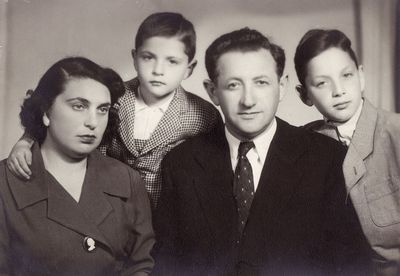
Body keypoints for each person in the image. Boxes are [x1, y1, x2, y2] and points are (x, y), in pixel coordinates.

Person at [153, 28, 371, 275]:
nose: (249, 100)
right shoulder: (181, 164)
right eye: (233, 85)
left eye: (261, 82)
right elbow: (166, 265)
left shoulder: (327, 158)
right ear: (213, 91)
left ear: (282, 86)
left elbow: (355, 265)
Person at [6, 12, 221, 209]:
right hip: (105, 204)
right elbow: (51, 119)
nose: (158, 70)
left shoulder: (203, 116)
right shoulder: (111, 96)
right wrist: (26, 141)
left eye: (172, 62)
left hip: (165, 215)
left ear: (189, 69)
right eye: (148, 57)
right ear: (135, 58)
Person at [0, 57, 155, 275]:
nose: (93, 121)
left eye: (102, 109)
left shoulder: (127, 180)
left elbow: (142, 265)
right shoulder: (5, 183)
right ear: (46, 112)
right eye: (79, 106)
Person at [294, 29, 400, 275]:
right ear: (304, 95)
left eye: (347, 76)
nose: (338, 91)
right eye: (322, 83)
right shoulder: (302, 145)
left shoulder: (395, 133)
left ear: (361, 76)